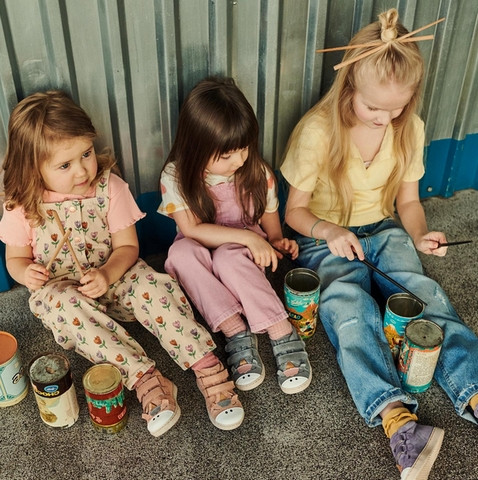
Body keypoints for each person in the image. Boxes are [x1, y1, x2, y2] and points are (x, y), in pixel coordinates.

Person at [281, 8, 478, 480]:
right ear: (349, 84)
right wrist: (329, 232)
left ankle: (473, 386)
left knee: (423, 294)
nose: (385, 119)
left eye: (396, 109)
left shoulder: (409, 127)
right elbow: (294, 213)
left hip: (384, 229)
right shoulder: (317, 131)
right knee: (349, 309)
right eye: (374, 108)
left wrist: (420, 234)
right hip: (323, 238)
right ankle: (397, 420)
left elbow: (408, 202)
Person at [0, 90, 244, 436]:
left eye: (86, 154)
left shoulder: (109, 187)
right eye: (65, 165)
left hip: (116, 274)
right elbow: (15, 259)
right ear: (32, 168)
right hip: (63, 290)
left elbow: (128, 247)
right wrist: (26, 272)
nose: (82, 170)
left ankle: (207, 367)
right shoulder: (22, 204)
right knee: (60, 305)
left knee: (153, 286)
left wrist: (107, 273)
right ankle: (147, 381)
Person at [159, 76, 312, 396]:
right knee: (179, 254)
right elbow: (191, 230)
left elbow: (269, 218)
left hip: (240, 258)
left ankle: (281, 330)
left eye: (243, 149)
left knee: (228, 257)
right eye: (226, 155)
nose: (239, 160)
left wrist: (274, 240)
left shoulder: (256, 172)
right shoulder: (176, 175)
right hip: (203, 251)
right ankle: (235, 330)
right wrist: (249, 239)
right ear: (197, 147)